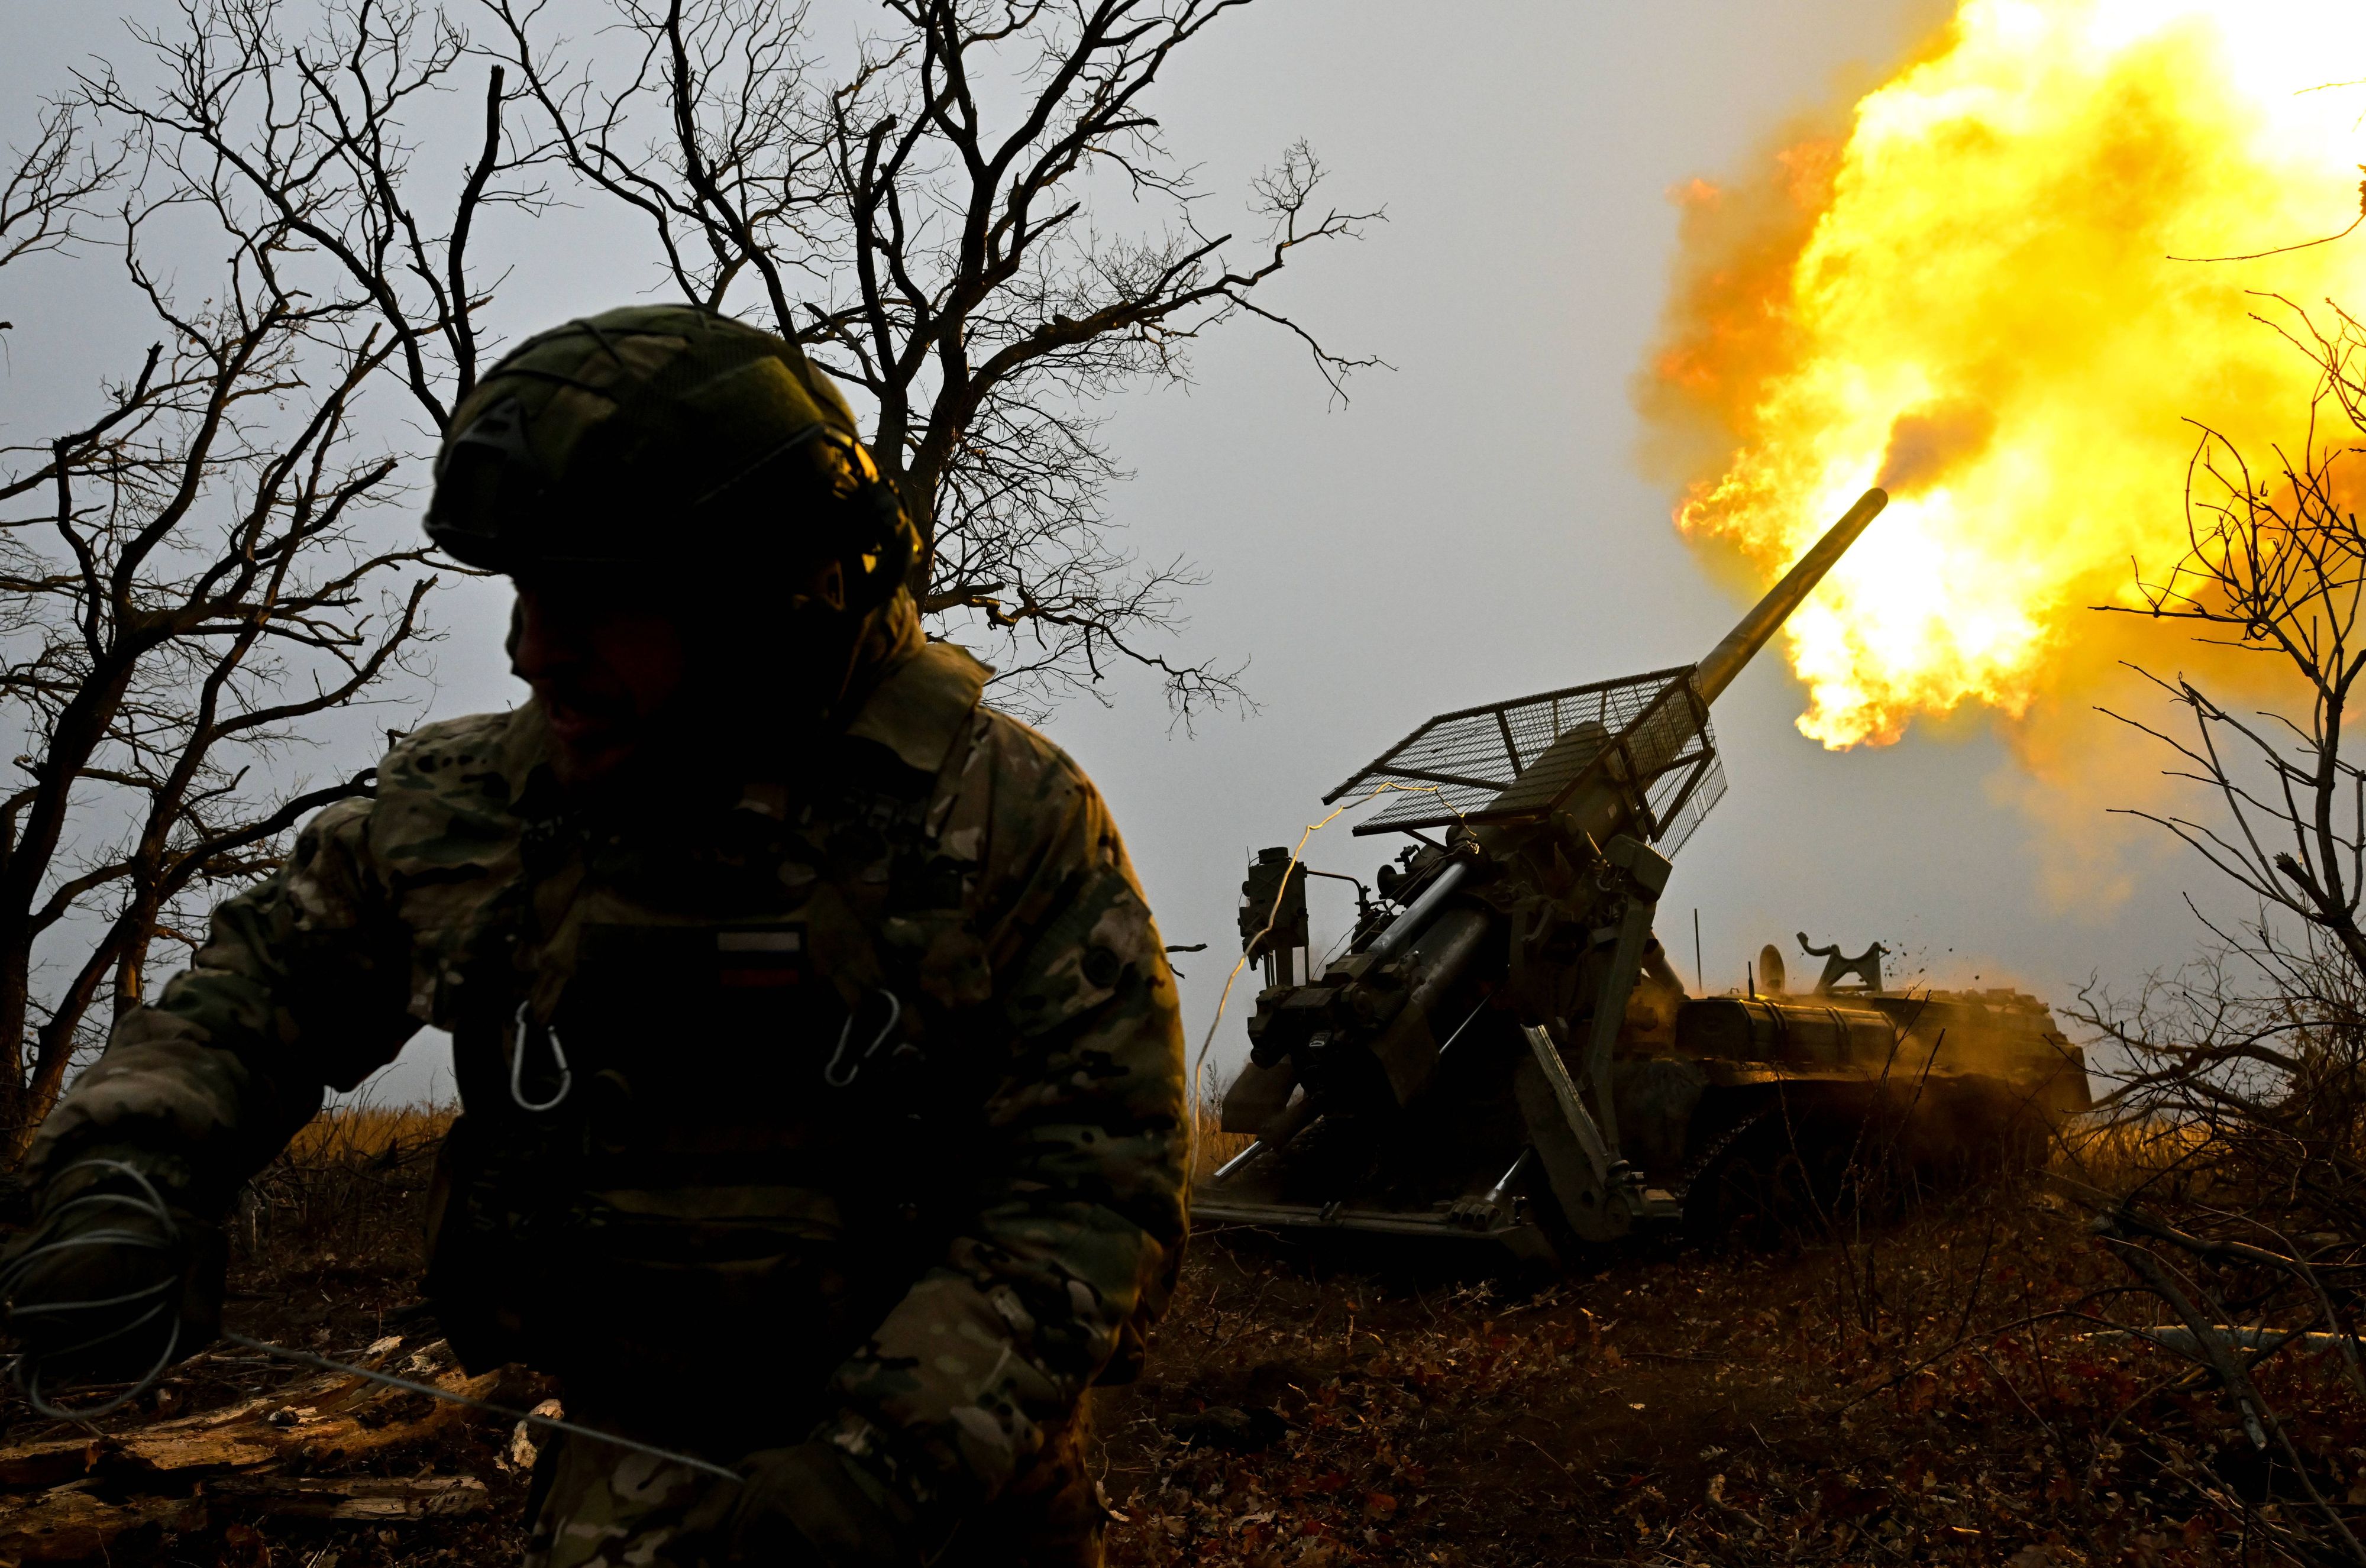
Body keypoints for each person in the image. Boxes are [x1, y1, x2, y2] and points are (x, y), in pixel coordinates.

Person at [0, 305, 1190, 1567]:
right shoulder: (473, 807)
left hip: (951, 1510)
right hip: (624, 1491)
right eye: (525, 595)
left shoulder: (995, 819)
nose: (530, 653)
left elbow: (1093, 1187)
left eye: (593, 603)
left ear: (765, 597)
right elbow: (250, 997)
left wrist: (879, 1467)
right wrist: (123, 1178)